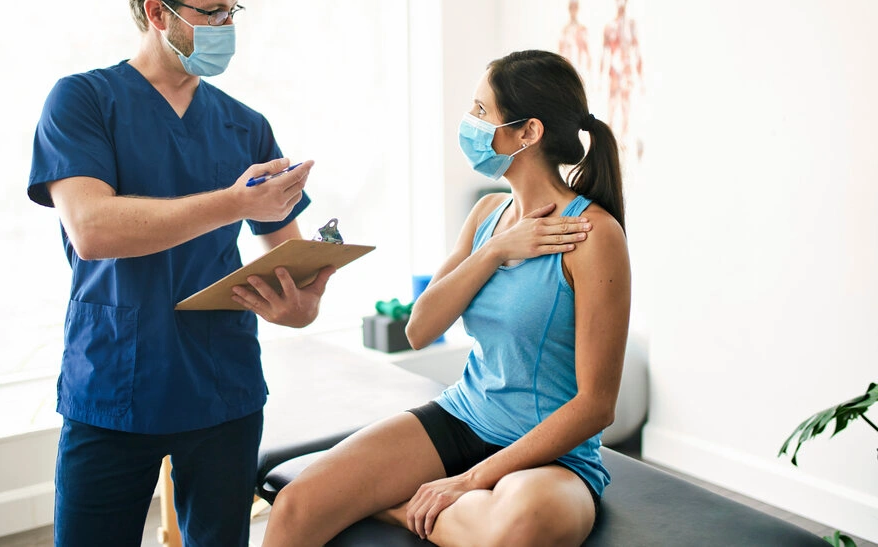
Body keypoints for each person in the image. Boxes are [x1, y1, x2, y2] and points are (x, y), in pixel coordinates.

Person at [27, 0, 335, 547]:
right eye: (211, 11)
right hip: (115, 383)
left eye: (232, 10)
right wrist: (230, 202)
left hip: (223, 388)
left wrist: (301, 305)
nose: (226, 25)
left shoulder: (245, 126)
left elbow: (291, 268)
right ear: (156, 12)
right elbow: (93, 230)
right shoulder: (82, 102)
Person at [262, 50, 630, 547]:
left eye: (482, 111)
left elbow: (596, 406)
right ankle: (423, 505)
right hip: (465, 417)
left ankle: (398, 508)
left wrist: (469, 480)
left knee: (515, 530)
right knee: (296, 507)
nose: (470, 124)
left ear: (528, 132)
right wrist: (495, 251)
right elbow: (419, 330)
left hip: (551, 455)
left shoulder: (592, 235)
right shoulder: (487, 215)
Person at [598, 0, 644, 159]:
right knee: (612, 105)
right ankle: (609, 142)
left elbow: (637, 49)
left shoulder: (631, 25)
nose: (622, 3)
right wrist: (600, 77)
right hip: (614, 71)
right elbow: (604, 52)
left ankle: (623, 142)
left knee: (625, 106)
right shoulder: (610, 26)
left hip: (626, 69)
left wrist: (640, 77)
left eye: (624, 0)